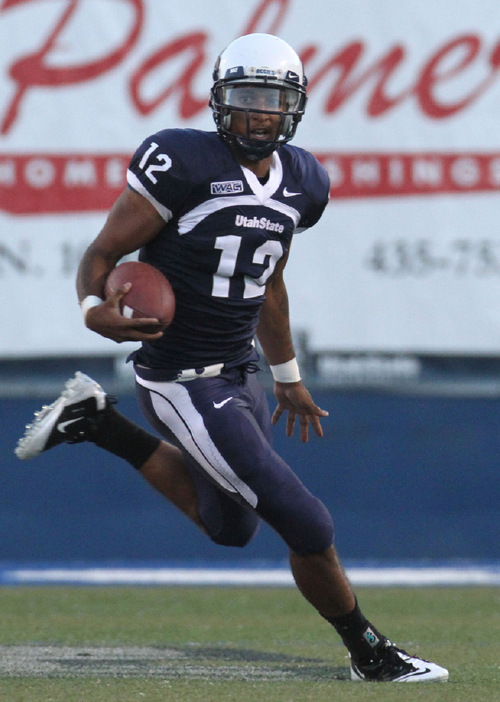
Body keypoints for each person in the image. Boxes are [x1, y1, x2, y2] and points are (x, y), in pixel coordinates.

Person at [16, 33, 448, 683]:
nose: (260, 113)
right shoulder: (181, 161)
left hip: (240, 367)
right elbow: (102, 254)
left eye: (274, 100)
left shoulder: (305, 179)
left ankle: (95, 421)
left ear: (294, 106)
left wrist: (287, 377)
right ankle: (370, 652)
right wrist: (90, 309)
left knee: (231, 527)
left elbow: (268, 281)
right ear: (220, 101)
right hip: (181, 379)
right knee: (305, 518)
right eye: (246, 97)